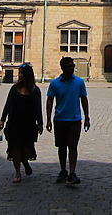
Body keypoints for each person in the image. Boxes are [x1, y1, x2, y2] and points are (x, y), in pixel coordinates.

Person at [46, 57, 90, 185]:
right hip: (59, 119)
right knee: (61, 146)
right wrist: (48, 120)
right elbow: (49, 101)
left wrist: (87, 117)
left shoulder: (79, 82)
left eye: (73, 66)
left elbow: (84, 100)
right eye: (69, 66)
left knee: (73, 146)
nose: (72, 68)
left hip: (75, 119)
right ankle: (63, 170)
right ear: (63, 68)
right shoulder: (54, 83)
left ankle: (72, 172)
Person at [0, 63, 43, 183]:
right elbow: (8, 105)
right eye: (20, 74)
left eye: (22, 74)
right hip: (14, 122)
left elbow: (38, 108)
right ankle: (18, 172)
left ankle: (25, 161)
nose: (20, 76)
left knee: (27, 148)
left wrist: (40, 123)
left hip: (29, 123)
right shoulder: (14, 89)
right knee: (15, 148)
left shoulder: (35, 90)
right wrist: (2, 120)